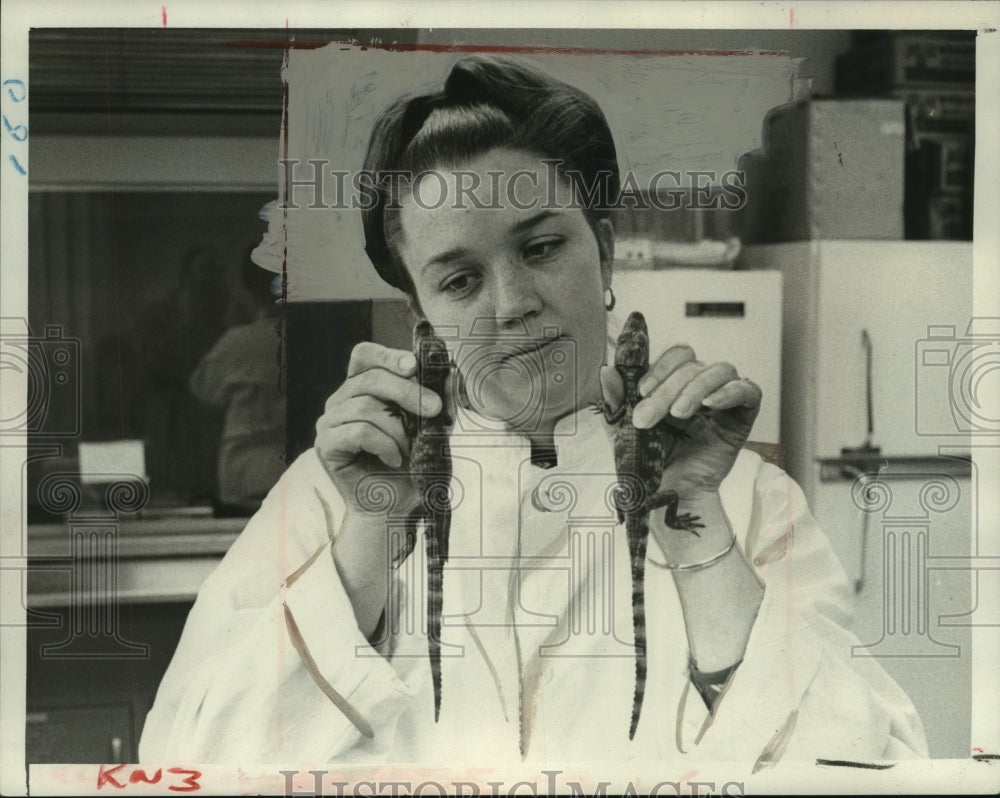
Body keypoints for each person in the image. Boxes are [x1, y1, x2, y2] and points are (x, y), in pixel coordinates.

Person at [139, 54, 926, 768]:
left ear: (606, 252)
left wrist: (693, 522)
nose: (512, 304)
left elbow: (874, 766)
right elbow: (182, 764)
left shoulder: (744, 502)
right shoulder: (328, 497)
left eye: (541, 248)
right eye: (458, 280)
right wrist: (366, 542)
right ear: (423, 317)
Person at [189, 254, 287, 515]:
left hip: (242, 474)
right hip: (295, 471)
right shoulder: (315, 340)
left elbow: (203, 393)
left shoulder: (235, 342)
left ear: (248, 289)